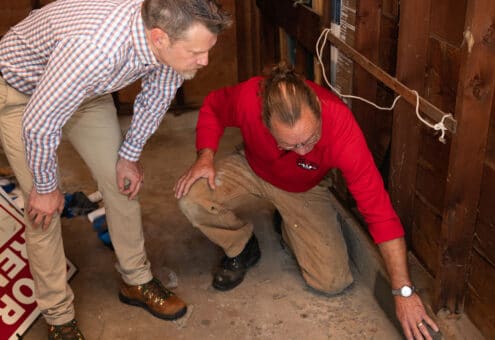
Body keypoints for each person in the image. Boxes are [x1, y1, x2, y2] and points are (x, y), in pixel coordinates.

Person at [0, 0, 231, 338]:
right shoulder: (96, 49)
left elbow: (157, 93)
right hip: (23, 93)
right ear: (159, 38)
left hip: (88, 89)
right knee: (43, 210)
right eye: (196, 52)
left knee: (121, 181)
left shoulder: (167, 35)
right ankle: (59, 315)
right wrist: (48, 188)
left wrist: (129, 155)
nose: (205, 60)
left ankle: (135, 280)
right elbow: (40, 122)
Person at [174, 62, 439, 339]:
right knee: (192, 198)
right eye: (290, 144)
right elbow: (214, 107)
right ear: (265, 120)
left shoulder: (341, 127)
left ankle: (287, 224)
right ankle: (241, 246)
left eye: (310, 139)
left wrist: (403, 291)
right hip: (252, 167)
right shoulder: (248, 99)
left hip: (303, 189)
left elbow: (379, 212)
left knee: (332, 281)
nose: (303, 151)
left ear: (317, 108)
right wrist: (205, 156)